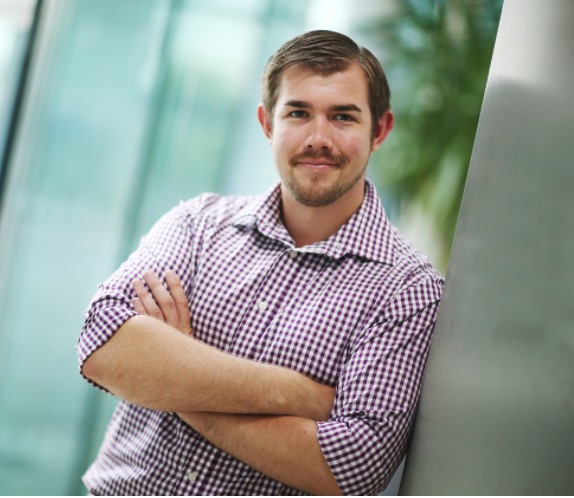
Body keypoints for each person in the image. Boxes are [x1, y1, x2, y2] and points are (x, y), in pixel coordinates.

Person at [77, 29, 443, 496]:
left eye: (343, 117)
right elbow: (102, 342)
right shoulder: (197, 225)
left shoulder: (408, 290)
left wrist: (173, 376)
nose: (318, 137)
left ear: (380, 130)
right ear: (268, 123)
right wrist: (299, 395)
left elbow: (351, 468)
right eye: (298, 112)